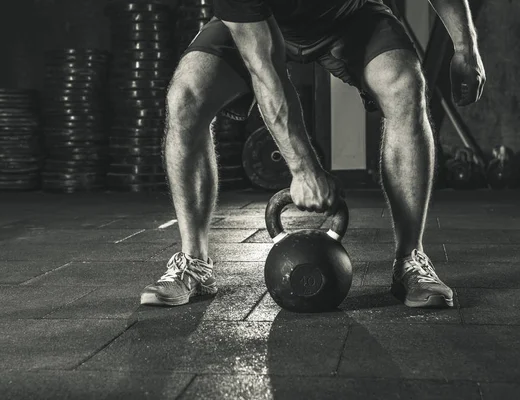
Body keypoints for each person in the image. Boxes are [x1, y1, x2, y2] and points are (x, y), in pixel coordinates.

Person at [140, 0, 486, 308]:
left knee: (406, 86)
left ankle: (410, 258)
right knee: (186, 96)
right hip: (262, 23)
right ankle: (194, 264)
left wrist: (465, 47)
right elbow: (265, 70)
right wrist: (303, 169)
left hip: (349, 14)